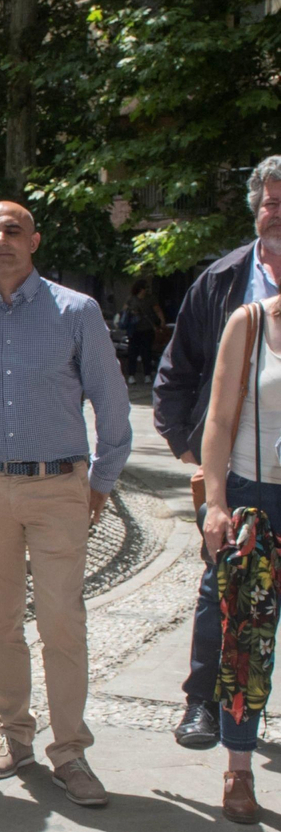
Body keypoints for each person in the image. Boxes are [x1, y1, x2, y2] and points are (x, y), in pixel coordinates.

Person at [0, 201, 132, 807]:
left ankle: (69, 749)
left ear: (34, 240)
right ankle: (14, 734)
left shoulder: (77, 312)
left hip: (58, 486)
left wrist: (103, 477)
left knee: (62, 620)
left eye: (13, 230)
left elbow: (110, 398)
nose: (1, 240)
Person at [153, 156, 281, 750]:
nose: (278, 214)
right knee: (223, 592)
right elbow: (179, 369)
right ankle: (203, 703)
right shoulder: (224, 280)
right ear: (255, 210)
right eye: (271, 203)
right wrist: (191, 450)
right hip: (238, 470)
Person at [190, 294, 276, 825]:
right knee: (247, 638)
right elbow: (219, 422)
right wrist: (216, 504)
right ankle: (239, 769)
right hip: (257, 500)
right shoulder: (253, 322)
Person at [118, 284, 163, 386]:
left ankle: (147, 375)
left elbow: (157, 310)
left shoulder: (150, 299)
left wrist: (162, 321)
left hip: (147, 329)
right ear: (140, 289)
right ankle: (131, 375)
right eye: (145, 288)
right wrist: (131, 312)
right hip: (134, 330)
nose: (146, 290)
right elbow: (124, 311)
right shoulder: (131, 298)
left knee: (146, 353)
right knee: (132, 353)